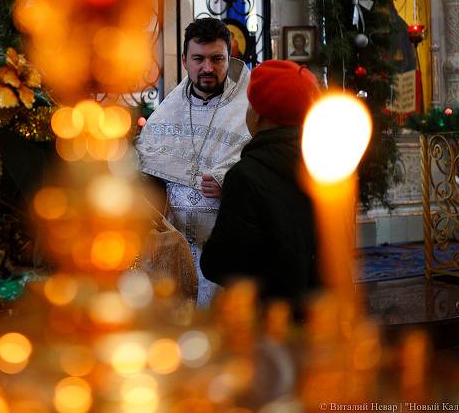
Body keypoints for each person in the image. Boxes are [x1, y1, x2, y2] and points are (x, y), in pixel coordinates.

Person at [136, 17, 252, 307]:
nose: (207, 68)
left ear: (229, 58)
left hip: (228, 245)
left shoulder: (251, 110)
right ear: (185, 60)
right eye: (198, 59)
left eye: (217, 59)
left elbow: (266, 171)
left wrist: (231, 185)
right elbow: (148, 175)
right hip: (176, 244)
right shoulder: (166, 113)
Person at [200, 60, 321, 312]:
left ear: (257, 115)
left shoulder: (245, 177)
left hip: (266, 320)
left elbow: (220, 265)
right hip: (318, 314)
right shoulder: (328, 171)